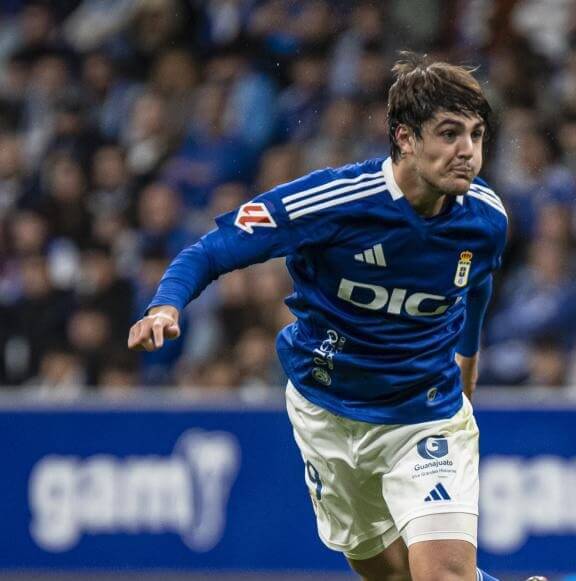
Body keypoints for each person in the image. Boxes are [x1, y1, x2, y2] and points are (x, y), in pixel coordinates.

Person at [127, 54, 538, 581]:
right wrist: (166, 302)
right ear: (405, 138)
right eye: (450, 134)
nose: (467, 152)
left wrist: (468, 354)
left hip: (426, 411)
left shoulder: (486, 219)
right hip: (328, 412)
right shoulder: (333, 202)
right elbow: (214, 249)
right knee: (387, 575)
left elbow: (475, 283)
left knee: (441, 575)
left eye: (477, 136)